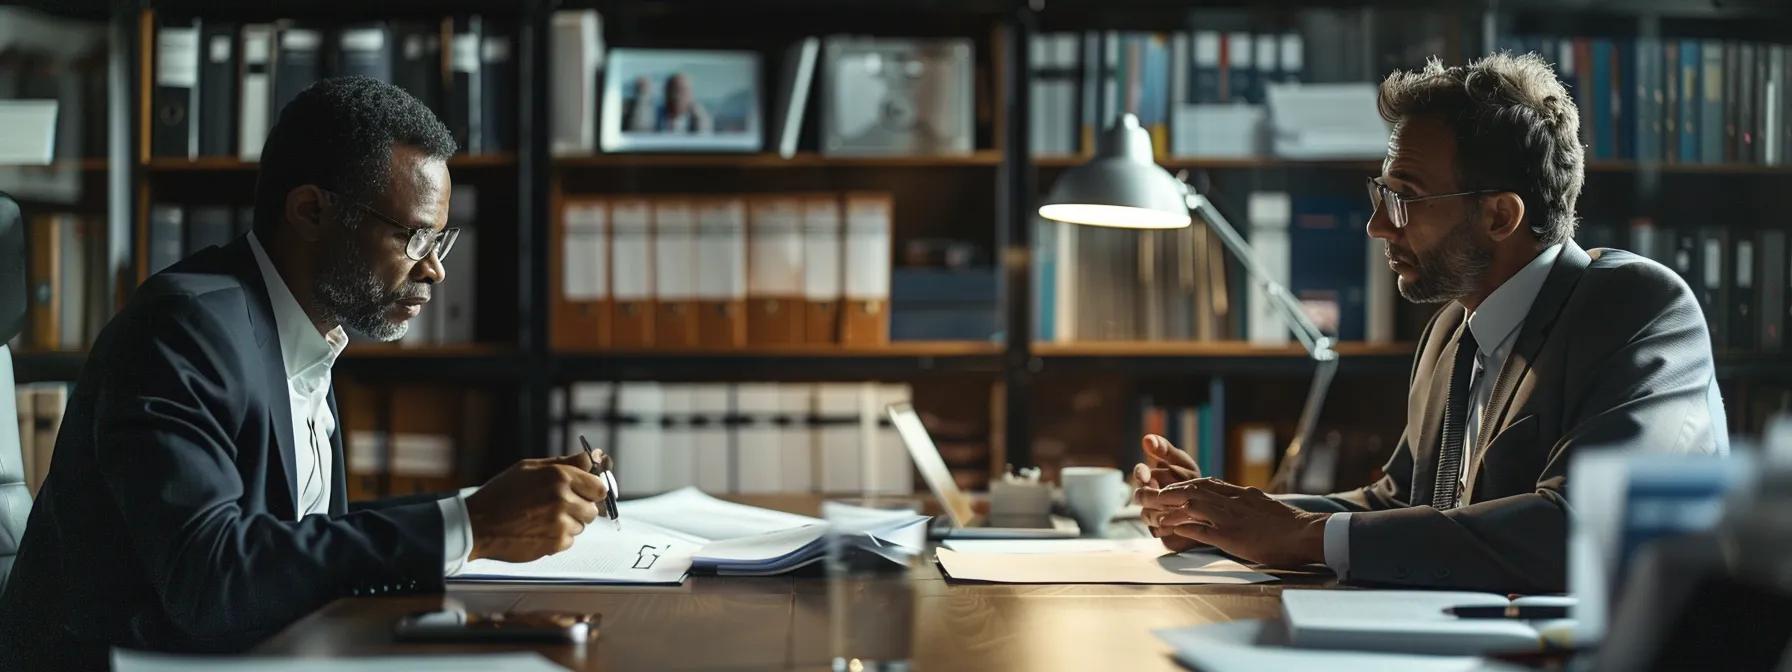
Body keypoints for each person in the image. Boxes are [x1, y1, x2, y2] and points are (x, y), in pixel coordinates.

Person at [0, 77, 612, 669]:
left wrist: (487, 507)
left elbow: (303, 540)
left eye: (439, 240)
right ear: (311, 212)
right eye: (415, 238)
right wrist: (471, 525)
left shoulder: (303, 326)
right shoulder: (184, 329)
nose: (434, 271)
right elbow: (208, 575)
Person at [1135, 53, 1728, 594]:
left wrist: (1294, 534)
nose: (1377, 227)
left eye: (1404, 200)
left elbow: (1584, 527)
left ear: (1500, 215)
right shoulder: (1452, 330)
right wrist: (1220, 517)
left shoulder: (1637, 307)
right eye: (1380, 195)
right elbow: (1396, 501)